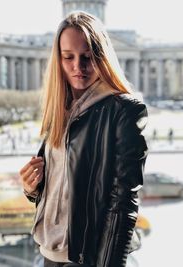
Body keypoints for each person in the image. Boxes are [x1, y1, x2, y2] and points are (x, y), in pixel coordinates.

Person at [19, 11, 148, 267]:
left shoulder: (124, 110)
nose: (78, 67)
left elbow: (124, 202)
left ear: (103, 57)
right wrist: (32, 188)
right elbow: (63, 188)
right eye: (68, 57)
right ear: (58, 60)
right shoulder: (61, 109)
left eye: (88, 57)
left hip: (86, 258)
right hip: (49, 252)